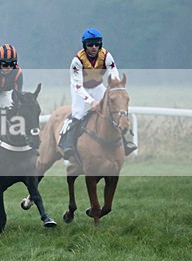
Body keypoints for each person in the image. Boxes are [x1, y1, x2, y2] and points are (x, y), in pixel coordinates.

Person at [58, 28, 137, 161]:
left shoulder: (107, 56)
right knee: (78, 113)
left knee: (110, 111)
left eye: (97, 44)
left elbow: (113, 73)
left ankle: (124, 143)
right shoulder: (77, 61)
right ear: (85, 45)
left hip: (98, 86)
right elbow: (78, 86)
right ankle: (69, 145)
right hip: (80, 88)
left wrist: (115, 85)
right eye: (90, 44)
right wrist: (91, 101)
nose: (94, 47)